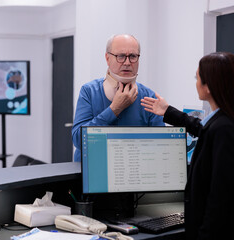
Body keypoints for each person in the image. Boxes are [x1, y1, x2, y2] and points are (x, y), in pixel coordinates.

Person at [141, 52, 234, 240]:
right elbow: (203, 129)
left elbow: (220, 197)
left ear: (209, 85)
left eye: (197, 77)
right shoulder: (223, 122)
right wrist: (169, 112)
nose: (196, 82)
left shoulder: (224, 128)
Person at [72, 34, 164, 162]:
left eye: (133, 56)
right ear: (107, 58)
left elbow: (161, 148)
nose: (127, 62)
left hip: (132, 173)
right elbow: (78, 140)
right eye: (120, 56)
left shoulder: (149, 97)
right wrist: (114, 109)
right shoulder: (89, 91)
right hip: (91, 173)